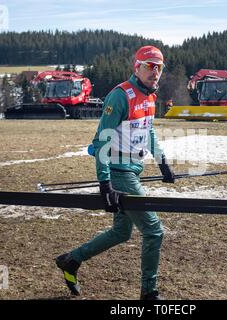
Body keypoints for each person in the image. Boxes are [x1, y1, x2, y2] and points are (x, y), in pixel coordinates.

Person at [55, 45, 175, 300]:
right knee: (154, 231)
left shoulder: (151, 97)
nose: (155, 72)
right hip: (120, 173)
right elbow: (102, 142)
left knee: (122, 232)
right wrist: (105, 183)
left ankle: (71, 260)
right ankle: (149, 293)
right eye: (149, 66)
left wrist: (163, 162)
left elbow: (148, 131)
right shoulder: (121, 96)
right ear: (137, 67)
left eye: (159, 67)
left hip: (134, 168)